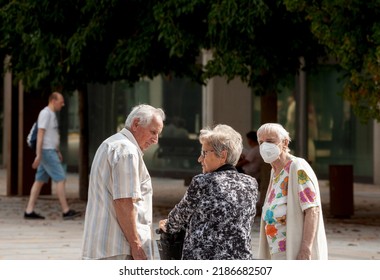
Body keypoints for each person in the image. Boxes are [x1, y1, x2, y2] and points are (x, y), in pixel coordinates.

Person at [159, 124, 258, 260]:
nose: (200, 159)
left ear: (222, 155)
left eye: (204, 153)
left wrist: (167, 225)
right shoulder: (250, 183)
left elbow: (179, 217)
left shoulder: (203, 181)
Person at [81, 104, 165, 260]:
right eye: (153, 132)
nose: (155, 140)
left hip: (104, 244)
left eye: (158, 134)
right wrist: (136, 245)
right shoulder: (127, 151)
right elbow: (124, 202)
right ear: (135, 124)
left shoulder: (112, 143)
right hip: (118, 248)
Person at [257, 123, 328, 260]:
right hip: (276, 252)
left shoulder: (297, 166)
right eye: (261, 142)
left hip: (294, 252)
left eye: (270, 141)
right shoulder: (274, 171)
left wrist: (306, 249)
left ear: (284, 143)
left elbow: (312, 210)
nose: (265, 146)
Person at [24, 92, 81, 220]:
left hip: (50, 151)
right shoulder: (45, 113)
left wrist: (57, 150)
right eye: (61, 101)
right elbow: (40, 134)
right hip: (46, 152)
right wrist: (39, 154)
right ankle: (66, 211)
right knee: (61, 178)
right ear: (53, 100)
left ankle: (29, 211)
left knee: (39, 181)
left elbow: (51, 136)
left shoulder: (51, 115)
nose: (63, 104)